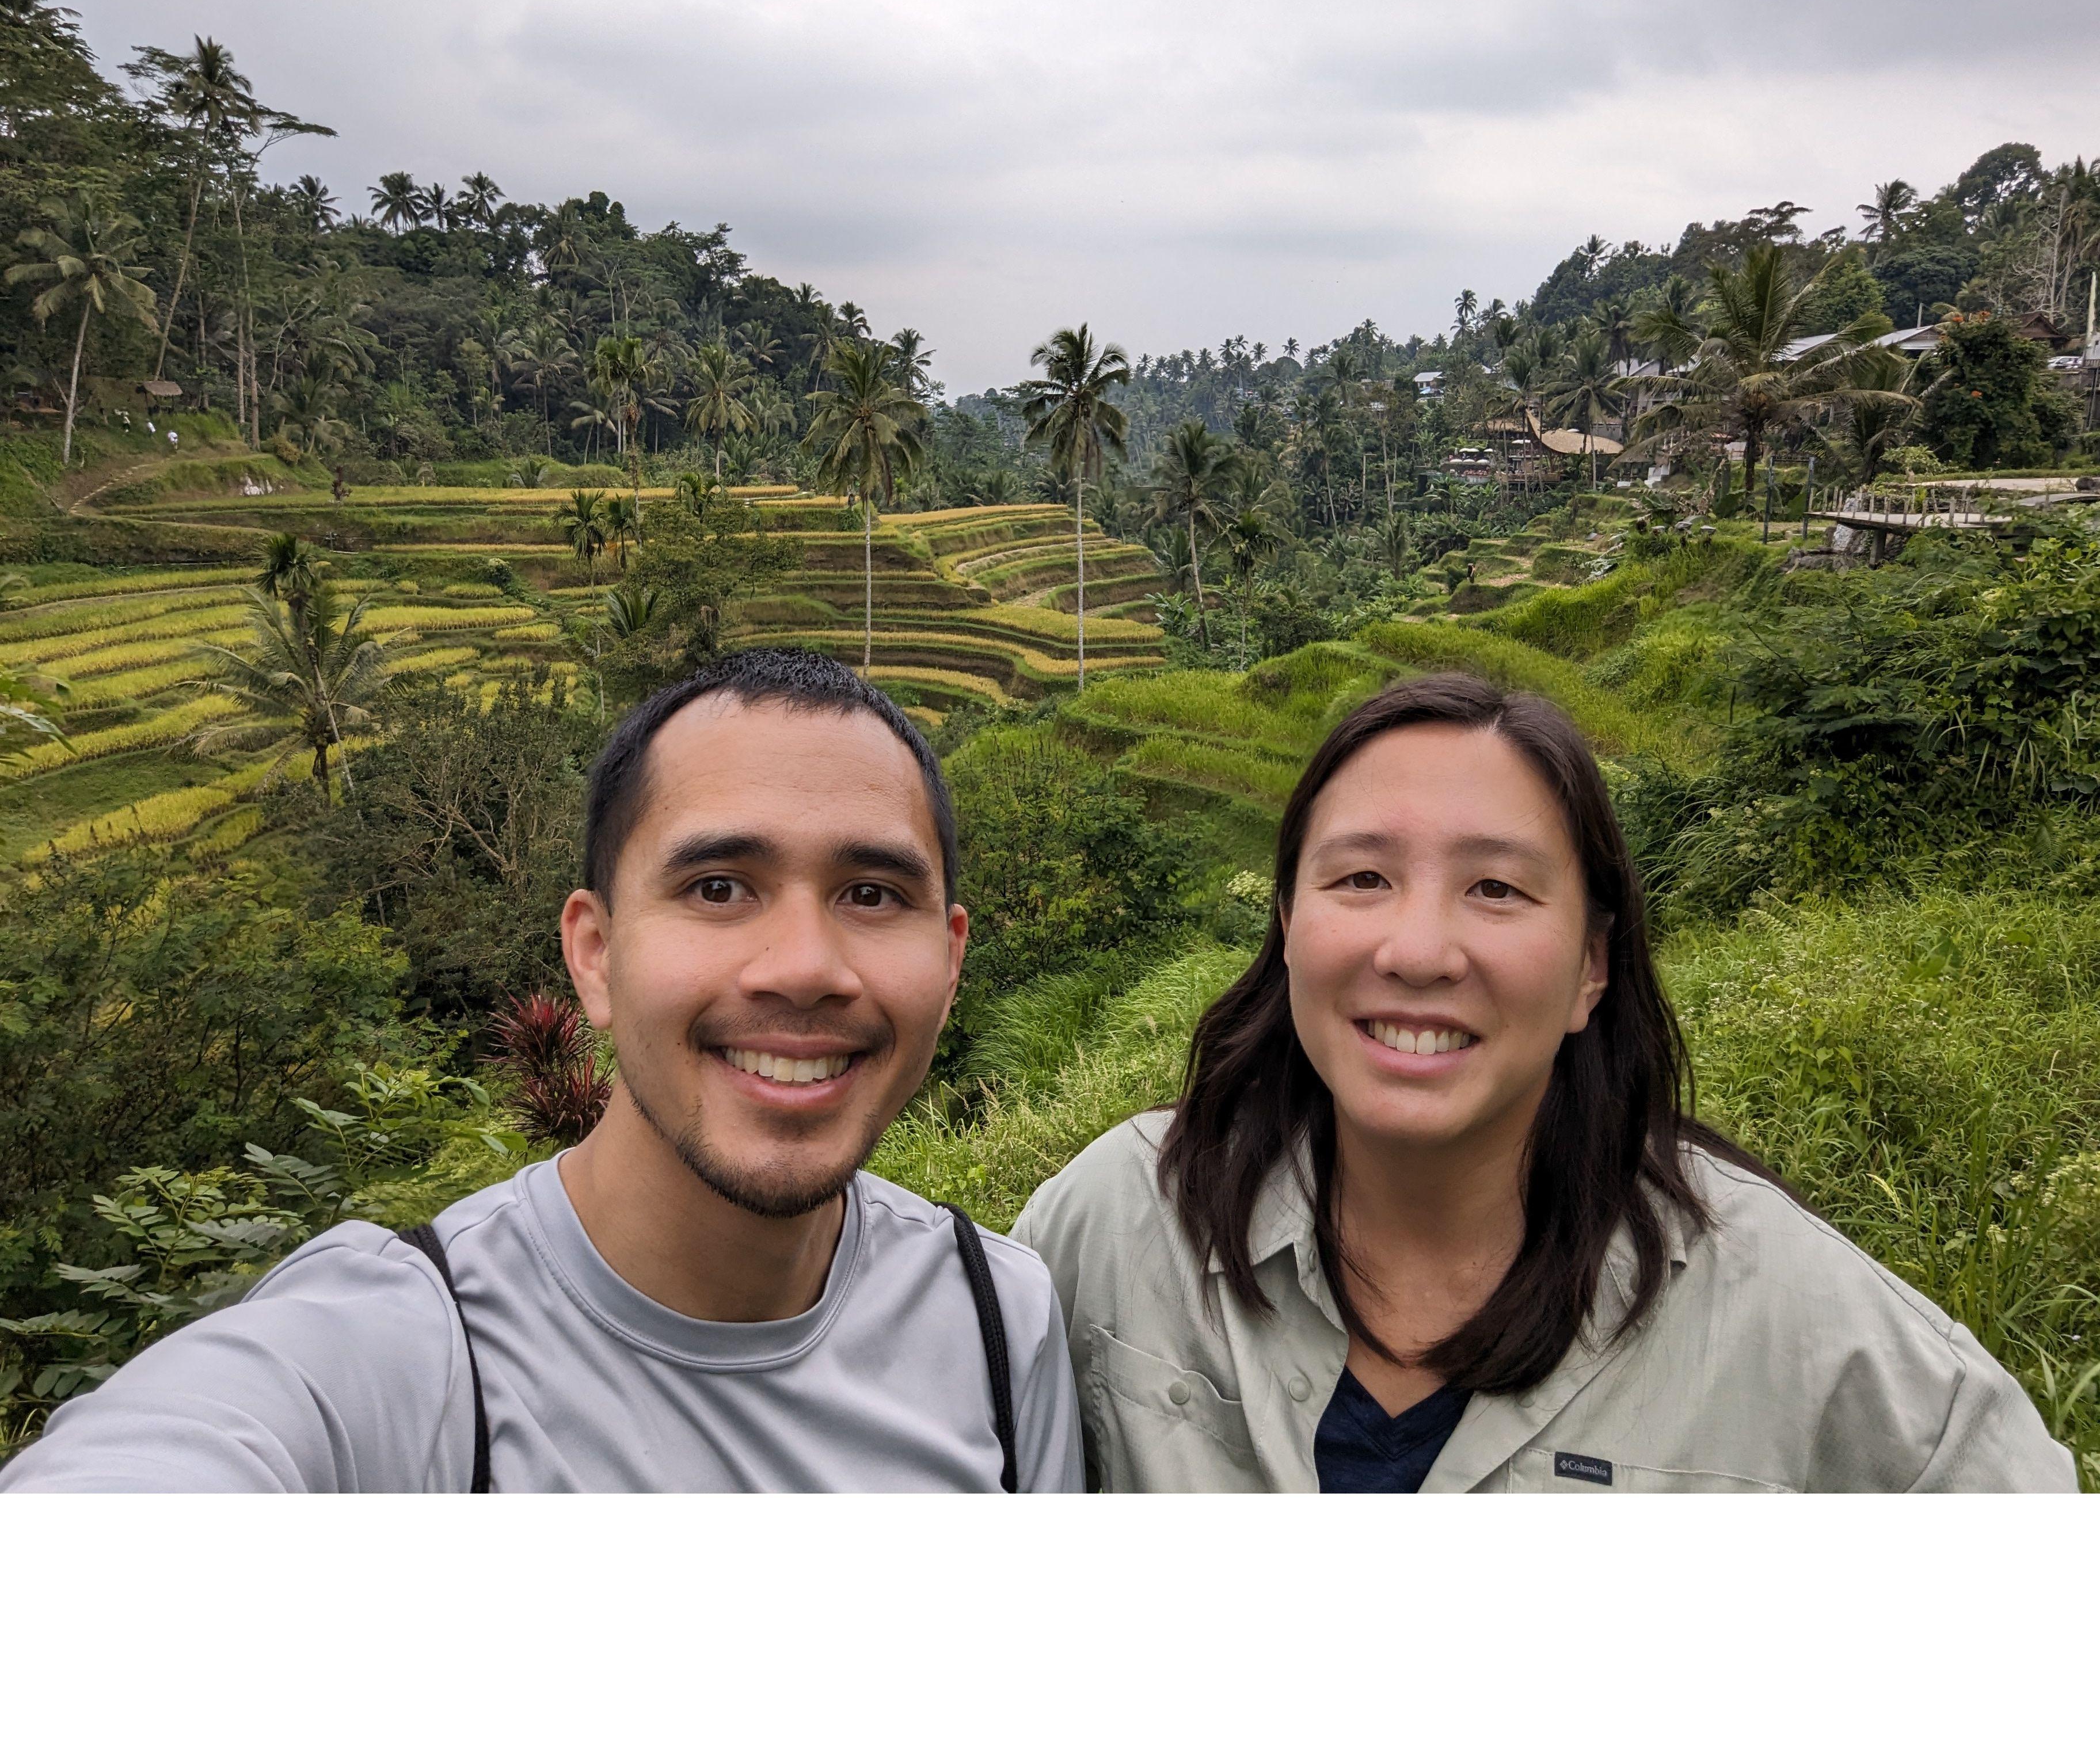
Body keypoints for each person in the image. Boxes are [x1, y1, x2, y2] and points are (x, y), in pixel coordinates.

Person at [3, 650, 1082, 1492]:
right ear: (596, 955)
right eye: (717, 887)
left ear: (949, 959)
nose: (804, 967)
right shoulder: (412, 1352)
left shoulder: (1002, 1320)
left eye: (871, 895)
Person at [1013, 673, 2075, 1492]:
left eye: (1498, 888)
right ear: (1290, 927)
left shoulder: (1795, 1316)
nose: (1419, 949)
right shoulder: (1115, 1221)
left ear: (1591, 969)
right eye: (1362, 878)